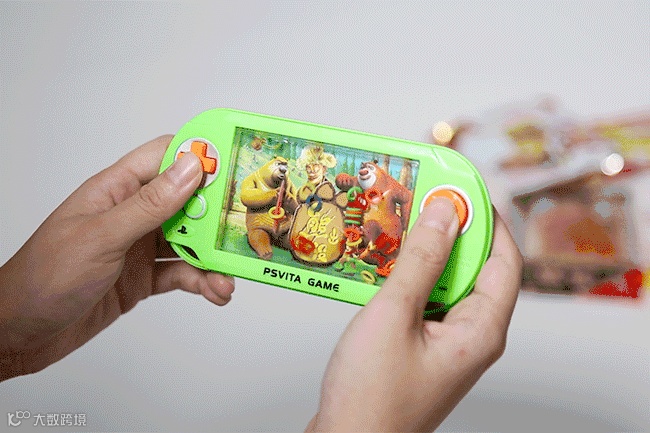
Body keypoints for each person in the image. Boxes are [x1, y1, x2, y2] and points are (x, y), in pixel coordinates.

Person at [0, 135, 523, 432]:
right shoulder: (264, 185)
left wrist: (11, 335)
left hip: (327, 232)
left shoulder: (342, 190)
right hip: (276, 227)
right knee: (264, 236)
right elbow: (258, 199)